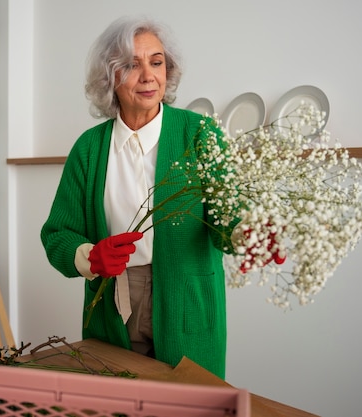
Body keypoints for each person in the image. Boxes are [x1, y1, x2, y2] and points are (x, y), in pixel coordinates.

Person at [41, 16, 229, 379]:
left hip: (187, 298)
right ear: (109, 76)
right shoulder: (89, 149)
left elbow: (228, 215)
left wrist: (247, 235)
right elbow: (57, 234)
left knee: (192, 402)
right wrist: (90, 257)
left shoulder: (201, 135)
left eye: (156, 62)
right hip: (115, 300)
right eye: (131, 65)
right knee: (119, 399)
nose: (148, 76)